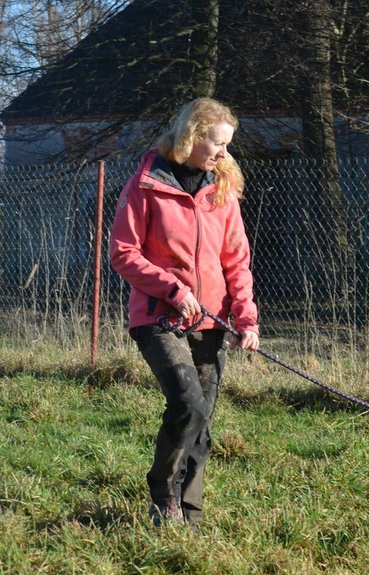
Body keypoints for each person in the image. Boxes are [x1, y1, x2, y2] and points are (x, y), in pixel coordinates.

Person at [110, 97, 260, 531]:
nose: (222, 153)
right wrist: (173, 290)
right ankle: (163, 494)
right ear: (192, 136)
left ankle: (189, 519)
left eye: (227, 145)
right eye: (217, 143)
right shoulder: (146, 184)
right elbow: (123, 252)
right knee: (187, 403)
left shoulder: (222, 191)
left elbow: (237, 262)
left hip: (212, 323)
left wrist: (246, 319)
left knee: (203, 423)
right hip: (159, 318)